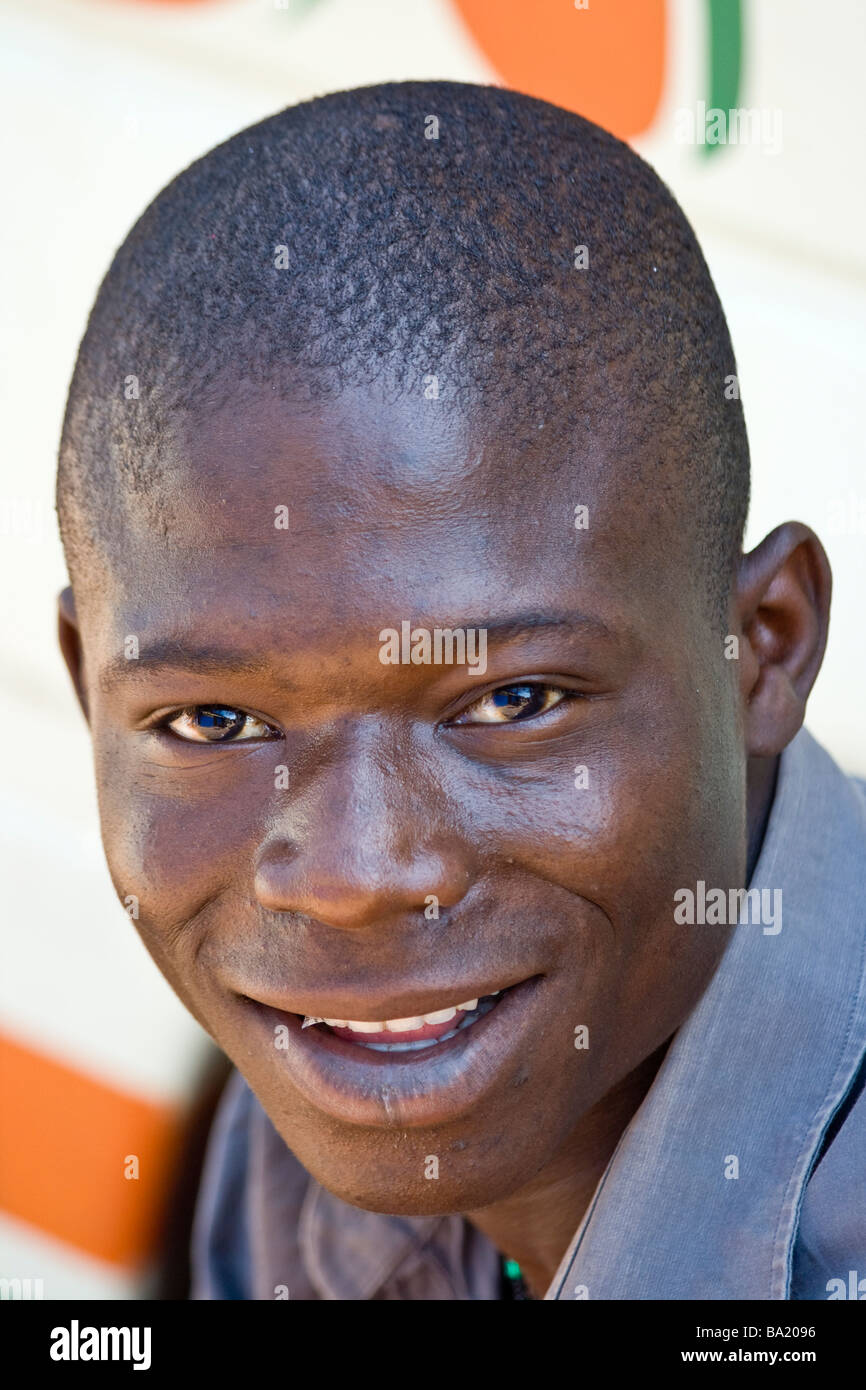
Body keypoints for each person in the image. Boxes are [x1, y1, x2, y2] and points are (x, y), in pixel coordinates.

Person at [55, 81, 866, 1300]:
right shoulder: (316, 1075)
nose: (348, 879)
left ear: (761, 644)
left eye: (508, 703)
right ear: (86, 693)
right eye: (211, 722)